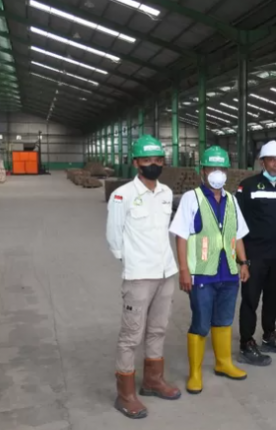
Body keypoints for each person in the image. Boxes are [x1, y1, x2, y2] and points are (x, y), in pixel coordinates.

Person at [106, 135, 180, 419]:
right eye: (147, 160)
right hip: (139, 276)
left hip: (165, 273)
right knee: (130, 336)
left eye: (158, 160)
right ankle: (125, 394)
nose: (153, 164)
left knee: (158, 329)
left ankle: (153, 380)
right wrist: (133, 261)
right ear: (136, 162)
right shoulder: (122, 195)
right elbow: (114, 238)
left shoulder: (165, 193)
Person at [169, 145, 251, 394]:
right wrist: (184, 270)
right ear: (202, 171)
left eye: (221, 168)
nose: (218, 173)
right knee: (201, 323)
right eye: (212, 168)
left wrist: (244, 262)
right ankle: (195, 373)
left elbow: (237, 234)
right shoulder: (190, 198)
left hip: (228, 272)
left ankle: (223, 363)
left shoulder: (232, 200)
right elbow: (181, 236)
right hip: (202, 273)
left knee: (224, 320)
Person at [236, 141, 276, 366]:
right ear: (263, 162)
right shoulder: (247, 186)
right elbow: (237, 221)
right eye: (272, 160)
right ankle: (247, 342)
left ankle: (269, 334)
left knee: (273, 296)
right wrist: (242, 259)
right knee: (251, 298)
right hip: (254, 253)